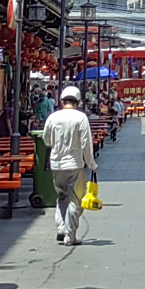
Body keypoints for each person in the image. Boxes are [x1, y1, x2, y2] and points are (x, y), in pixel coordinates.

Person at [41, 85, 96, 246]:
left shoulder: (53, 117)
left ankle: (61, 227)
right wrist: (91, 164)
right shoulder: (81, 118)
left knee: (62, 196)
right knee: (75, 200)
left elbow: (46, 140)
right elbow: (86, 144)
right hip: (74, 164)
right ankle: (70, 236)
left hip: (56, 164)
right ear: (77, 102)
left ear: (61, 101)